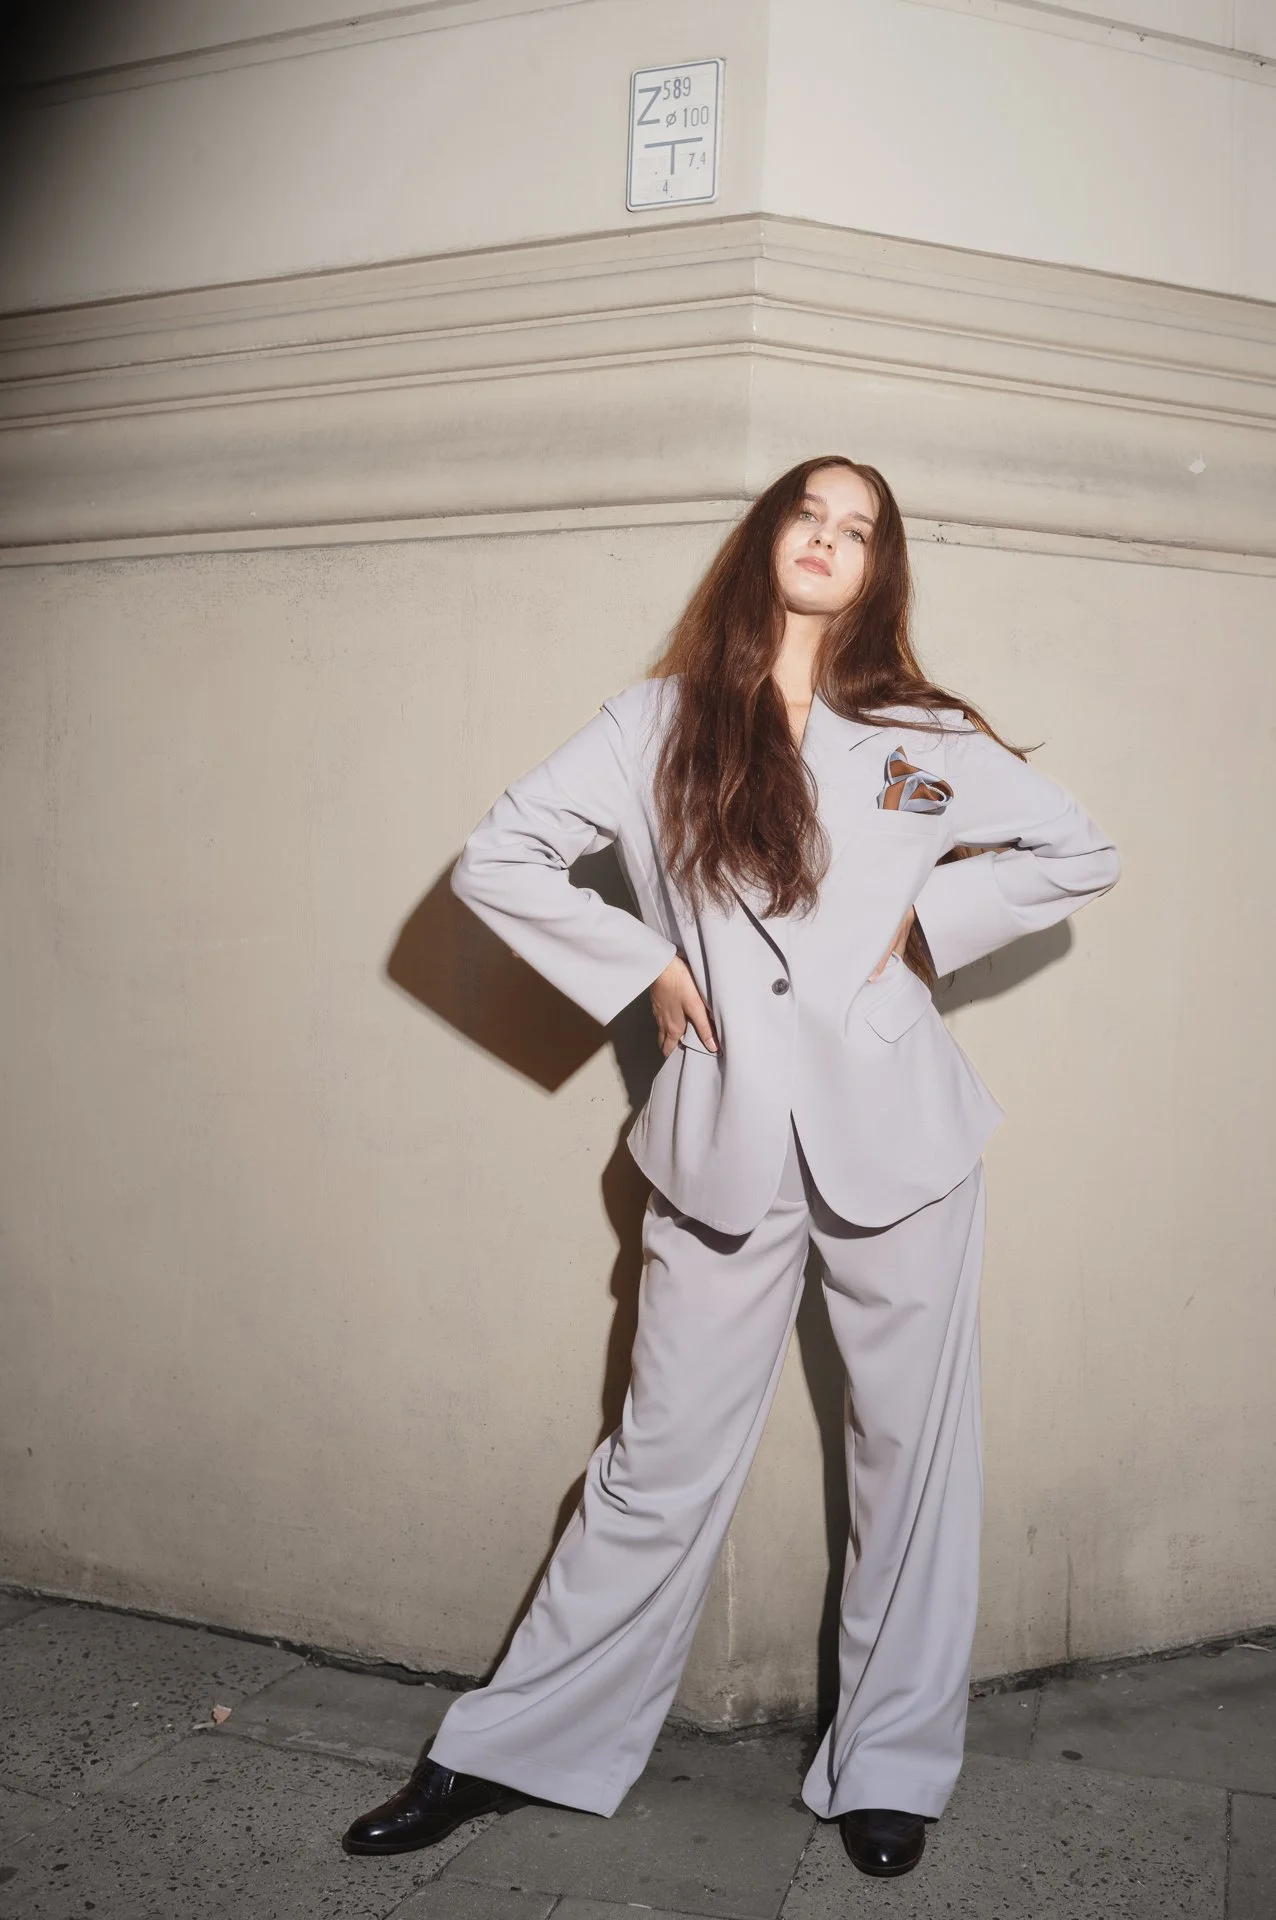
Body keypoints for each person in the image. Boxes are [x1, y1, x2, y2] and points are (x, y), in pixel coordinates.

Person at [342, 455, 1121, 1879]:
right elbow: (501, 856)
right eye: (808, 517)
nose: (830, 540)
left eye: (859, 529)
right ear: (767, 541)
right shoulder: (656, 724)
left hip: (903, 1140)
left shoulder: (922, 731)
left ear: (878, 566)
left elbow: (1082, 851)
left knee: (912, 1464)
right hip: (723, 1140)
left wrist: (932, 926)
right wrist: (638, 960)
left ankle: (891, 1765)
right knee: (656, 1466)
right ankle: (508, 1749)